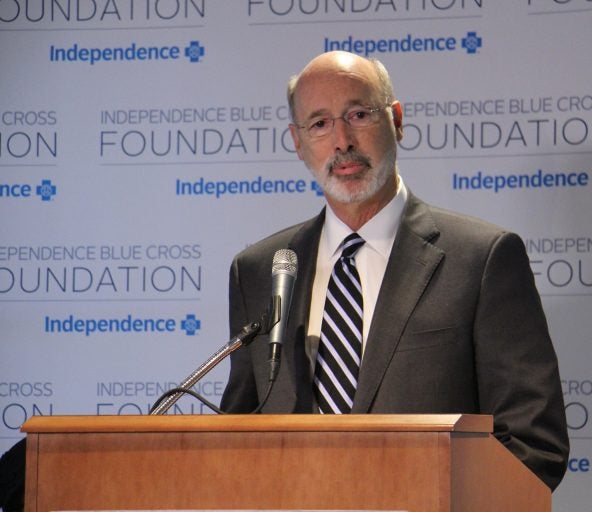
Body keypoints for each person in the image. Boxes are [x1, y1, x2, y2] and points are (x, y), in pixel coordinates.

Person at [220, 51, 569, 490]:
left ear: (397, 120)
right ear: (298, 141)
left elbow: (532, 442)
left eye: (359, 114)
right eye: (320, 123)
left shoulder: (482, 259)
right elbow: (237, 435)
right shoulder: (260, 271)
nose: (342, 140)